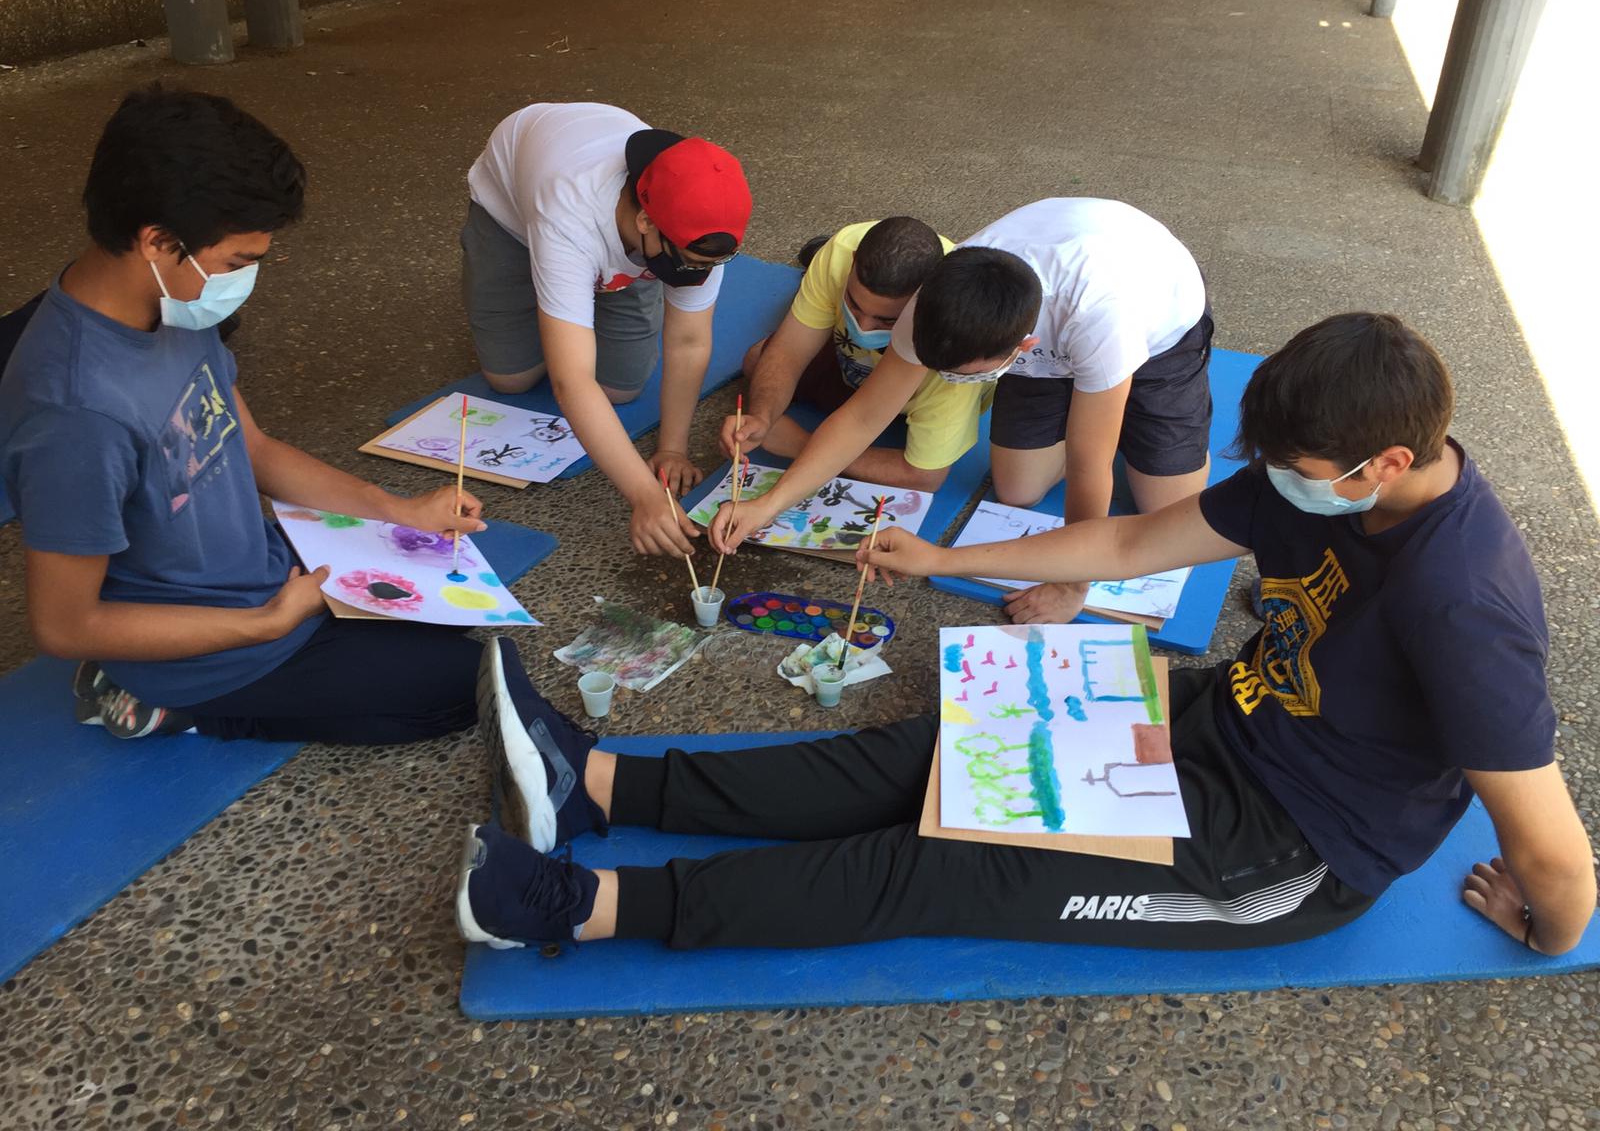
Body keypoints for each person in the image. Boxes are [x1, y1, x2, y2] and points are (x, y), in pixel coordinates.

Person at [454, 314, 1595, 960]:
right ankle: (593, 784)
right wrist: (942, 562)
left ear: (1385, 464)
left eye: (1298, 472)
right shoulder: (1325, 471)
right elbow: (1129, 543)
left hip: (1284, 850)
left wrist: (1549, 930)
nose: (1278, 486)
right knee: (931, 752)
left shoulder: (1464, 605)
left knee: (950, 862)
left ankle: (578, 910)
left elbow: (1551, 850)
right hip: (1224, 722)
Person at [0, 84, 544, 748]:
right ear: (158, 241)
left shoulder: (166, 301)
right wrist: (267, 622)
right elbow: (63, 626)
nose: (246, 279)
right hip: (212, 648)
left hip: (266, 571)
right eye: (238, 262)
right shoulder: (75, 412)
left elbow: (252, 447)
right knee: (467, 688)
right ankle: (170, 704)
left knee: (455, 619)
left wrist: (398, 510)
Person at [711, 198, 1215, 624]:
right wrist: (767, 505)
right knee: (1019, 491)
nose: (950, 382)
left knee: (1167, 511)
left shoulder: (1101, 318)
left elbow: (1090, 465)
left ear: (1022, 349)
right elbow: (864, 416)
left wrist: (1071, 584)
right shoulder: (931, 304)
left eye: (964, 375)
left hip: (1159, 327)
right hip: (1053, 328)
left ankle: (1115, 405)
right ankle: (1096, 402)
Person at [463, 102, 752, 556]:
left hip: (624, 239)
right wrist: (645, 496)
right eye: (688, 261)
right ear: (646, 220)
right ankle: (563, 290)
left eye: (708, 264)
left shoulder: (702, 225)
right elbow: (571, 380)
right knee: (511, 379)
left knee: (619, 388)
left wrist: (672, 449)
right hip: (512, 215)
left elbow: (689, 340)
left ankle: (588, 288)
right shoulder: (567, 213)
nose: (699, 272)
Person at [721, 217, 987, 489]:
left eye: (887, 321)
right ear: (853, 262)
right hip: (847, 365)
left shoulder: (954, 338)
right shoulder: (841, 251)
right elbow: (788, 351)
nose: (863, 328)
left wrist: (800, 445)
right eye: (854, 305)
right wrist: (762, 417)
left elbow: (923, 477)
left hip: (915, 395)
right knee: (757, 361)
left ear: (927, 300)